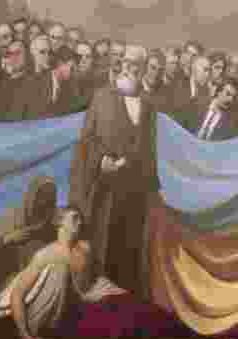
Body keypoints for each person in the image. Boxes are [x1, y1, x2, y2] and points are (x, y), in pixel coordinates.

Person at [70, 45, 159, 298]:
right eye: (127, 62)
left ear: (143, 69)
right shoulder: (101, 97)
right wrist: (100, 162)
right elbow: (86, 141)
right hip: (105, 193)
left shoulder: (150, 106)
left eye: (137, 64)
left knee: (130, 256)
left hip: (135, 196)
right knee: (102, 253)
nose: (131, 67)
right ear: (121, 64)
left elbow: (150, 149)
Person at [9, 207, 97, 339]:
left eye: (81, 218)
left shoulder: (85, 251)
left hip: (72, 321)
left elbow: (91, 286)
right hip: (41, 323)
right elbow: (16, 294)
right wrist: (26, 338)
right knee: (59, 270)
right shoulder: (45, 255)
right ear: (59, 222)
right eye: (75, 218)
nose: (80, 222)